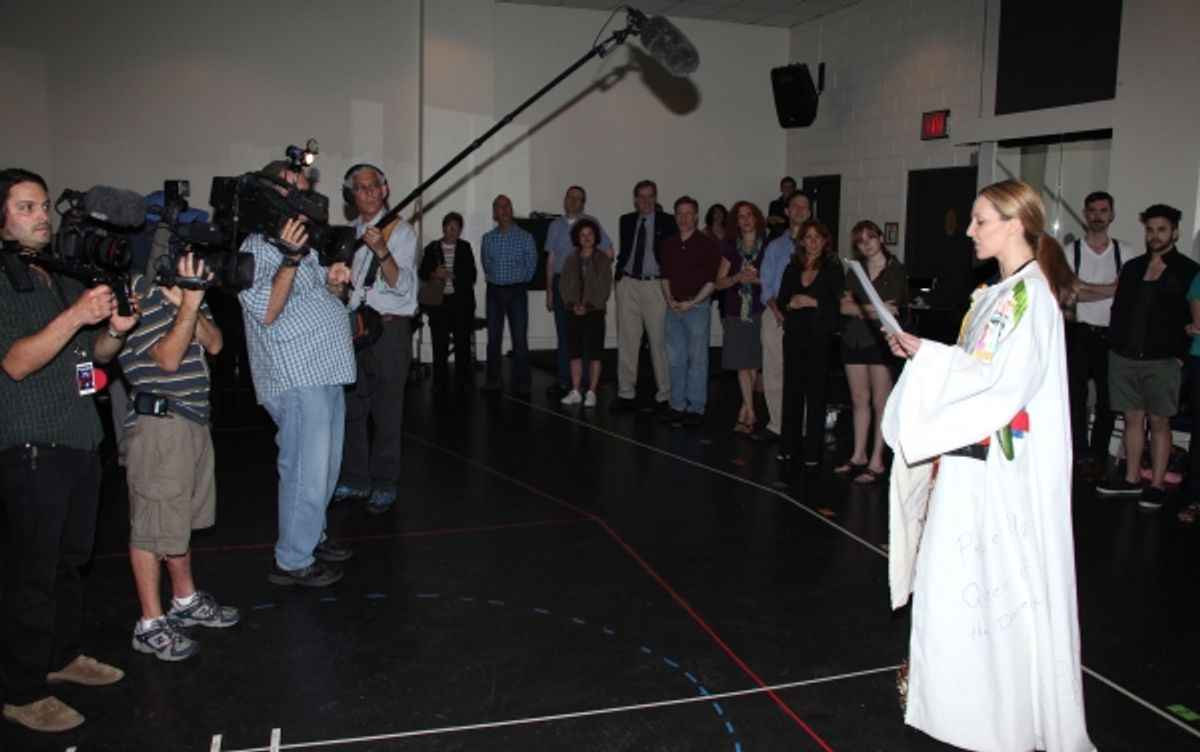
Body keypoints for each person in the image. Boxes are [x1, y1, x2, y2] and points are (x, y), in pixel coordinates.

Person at [881, 179, 1092, 751]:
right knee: (957, 579)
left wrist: (931, 372)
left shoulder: (1031, 297)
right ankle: (962, 700)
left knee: (999, 590)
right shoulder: (996, 294)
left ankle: (1002, 712)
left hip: (999, 469)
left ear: (1015, 223)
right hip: (973, 461)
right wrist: (924, 351)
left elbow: (1005, 385)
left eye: (980, 220)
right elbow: (979, 365)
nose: (970, 231)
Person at [0, 168, 130, 732]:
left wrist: (116, 331)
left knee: (72, 564)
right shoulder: (5, 280)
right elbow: (17, 362)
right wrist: (77, 315)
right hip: (31, 446)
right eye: (26, 207)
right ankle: (22, 690)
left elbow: (90, 360)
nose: (42, 216)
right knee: (33, 574)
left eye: (44, 205)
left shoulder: (58, 276)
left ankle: (62, 656)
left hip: (80, 439)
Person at [239, 161, 356, 587]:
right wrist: (290, 258)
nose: (306, 199)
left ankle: (312, 535)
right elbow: (267, 310)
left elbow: (324, 301)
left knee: (325, 468)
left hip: (326, 369)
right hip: (295, 374)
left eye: (307, 191)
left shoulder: (304, 246)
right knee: (305, 468)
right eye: (297, 191)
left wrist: (336, 282)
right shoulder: (256, 247)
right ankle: (292, 558)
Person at [120, 253, 239, 662]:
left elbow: (216, 343)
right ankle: (150, 624)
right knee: (152, 525)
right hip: (160, 423)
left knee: (178, 522)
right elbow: (168, 359)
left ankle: (184, 600)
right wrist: (185, 306)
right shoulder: (137, 289)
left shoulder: (185, 288)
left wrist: (188, 302)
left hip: (192, 420)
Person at [1096, 203, 1200, 509]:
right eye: (1150, 230)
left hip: (1164, 360)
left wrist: (1180, 357)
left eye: (1162, 229)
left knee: (1159, 422)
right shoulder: (1132, 267)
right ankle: (1130, 480)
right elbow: (1119, 310)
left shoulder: (1188, 271)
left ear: (1175, 232)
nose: (1155, 236)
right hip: (1125, 356)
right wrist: (1114, 347)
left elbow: (1191, 318)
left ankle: (1155, 484)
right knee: (1131, 418)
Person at [334, 163, 418, 515]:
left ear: (384, 190)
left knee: (387, 411)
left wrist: (381, 249)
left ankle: (385, 482)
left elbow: (401, 282)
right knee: (353, 408)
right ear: (351, 196)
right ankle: (356, 478)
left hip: (390, 329)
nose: (366, 192)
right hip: (355, 327)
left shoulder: (402, 231)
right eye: (359, 187)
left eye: (372, 186)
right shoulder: (347, 234)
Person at [835, 220, 908, 484]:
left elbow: (894, 308)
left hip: (880, 341)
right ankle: (858, 455)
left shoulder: (896, 270)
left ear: (880, 238)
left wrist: (861, 306)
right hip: (853, 338)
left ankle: (877, 459)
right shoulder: (856, 270)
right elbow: (843, 307)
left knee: (880, 402)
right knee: (858, 398)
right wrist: (875, 309)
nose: (867, 244)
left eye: (870, 238)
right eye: (861, 241)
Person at [1064, 191, 1128, 480]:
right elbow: (1068, 294)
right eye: (1093, 210)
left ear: (1112, 214)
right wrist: (1110, 289)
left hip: (1112, 334)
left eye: (1103, 210)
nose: (1098, 216)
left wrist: (1085, 289)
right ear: (1085, 213)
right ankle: (1080, 455)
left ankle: (1100, 456)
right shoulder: (1071, 251)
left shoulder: (1124, 252)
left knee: (1108, 399)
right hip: (1079, 332)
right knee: (1075, 398)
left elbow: (1126, 292)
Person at [776, 219, 843, 464]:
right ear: (801, 241)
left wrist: (811, 302)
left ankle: (813, 450)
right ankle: (788, 445)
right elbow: (782, 298)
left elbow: (837, 306)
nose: (813, 241)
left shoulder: (833, 270)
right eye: (808, 237)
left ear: (825, 241)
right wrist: (790, 303)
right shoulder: (791, 269)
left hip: (819, 337)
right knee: (792, 391)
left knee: (816, 393)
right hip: (794, 336)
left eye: (817, 237)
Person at [610, 179, 678, 413]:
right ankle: (625, 393)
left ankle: (665, 395)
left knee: (658, 341)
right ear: (635, 199)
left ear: (656, 198)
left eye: (651, 196)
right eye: (642, 196)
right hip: (628, 283)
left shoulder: (668, 221)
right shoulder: (626, 220)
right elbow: (625, 251)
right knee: (627, 341)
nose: (646, 201)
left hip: (654, 285)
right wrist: (618, 279)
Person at [543, 185, 612, 398]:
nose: (573, 201)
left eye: (578, 198)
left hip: (588, 289)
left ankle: (585, 383)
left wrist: (592, 271)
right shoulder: (555, 225)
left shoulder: (591, 223)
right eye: (570, 197)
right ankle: (566, 381)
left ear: (583, 203)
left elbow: (609, 252)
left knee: (586, 337)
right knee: (565, 335)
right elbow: (551, 260)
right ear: (565, 199)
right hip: (563, 286)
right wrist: (549, 291)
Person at [659, 196, 722, 426]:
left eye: (688, 214)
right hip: (673, 307)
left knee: (696, 359)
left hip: (697, 307)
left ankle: (696, 407)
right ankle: (677, 405)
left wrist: (692, 302)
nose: (683, 218)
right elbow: (664, 276)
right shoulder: (669, 244)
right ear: (675, 216)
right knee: (675, 359)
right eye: (679, 214)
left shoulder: (707, 245)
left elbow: (712, 281)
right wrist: (669, 300)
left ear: (696, 216)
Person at [758, 190, 812, 442]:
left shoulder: (816, 246)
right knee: (773, 370)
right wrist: (777, 310)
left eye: (805, 207)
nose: (800, 211)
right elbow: (766, 283)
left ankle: (798, 426)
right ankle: (777, 423)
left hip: (804, 317)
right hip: (774, 312)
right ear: (787, 212)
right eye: (795, 206)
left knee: (799, 371)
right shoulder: (775, 246)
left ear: (809, 213)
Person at [714, 200, 766, 435]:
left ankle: (746, 409)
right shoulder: (729, 247)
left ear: (756, 218)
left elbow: (775, 282)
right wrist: (737, 278)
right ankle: (751, 411)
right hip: (736, 309)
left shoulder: (767, 246)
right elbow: (719, 282)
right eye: (740, 217)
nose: (745, 220)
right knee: (741, 364)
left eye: (749, 215)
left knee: (753, 361)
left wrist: (755, 280)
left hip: (759, 308)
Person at [480, 194, 537, 397]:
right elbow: (486, 263)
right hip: (494, 292)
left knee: (519, 339)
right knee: (493, 339)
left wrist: (519, 281)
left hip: (516, 292)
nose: (503, 210)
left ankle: (523, 383)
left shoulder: (525, 237)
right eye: (499, 207)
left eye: (507, 206)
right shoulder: (488, 238)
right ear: (494, 213)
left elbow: (532, 266)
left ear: (511, 210)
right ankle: (492, 381)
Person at [419, 211, 477, 393]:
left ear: (460, 230)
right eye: (449, 226)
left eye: (456, 227)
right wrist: (434, 273)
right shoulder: (432, 248)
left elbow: (472, 276)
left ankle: (463, 380)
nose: (452, 230)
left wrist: (453, 275)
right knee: (439, 344)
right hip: (439, 303)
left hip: (461, 303)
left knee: (462, 344)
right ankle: (439, 381)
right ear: (443, 227)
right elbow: (421, 272)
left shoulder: (465, 247)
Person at [557, 218, 612, 408]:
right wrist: (572, 304)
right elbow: (563, 284)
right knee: (574, 353)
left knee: (595, 353)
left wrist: (588, 306)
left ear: (595, 237)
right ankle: (575, 390)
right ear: (577, 238)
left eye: (590, 234)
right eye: (583, 235)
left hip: (595, 312)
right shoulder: (571, 259)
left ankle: (592, 391)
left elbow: (605, 287)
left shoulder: (603, 259)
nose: (587, 238)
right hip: (573, 311)